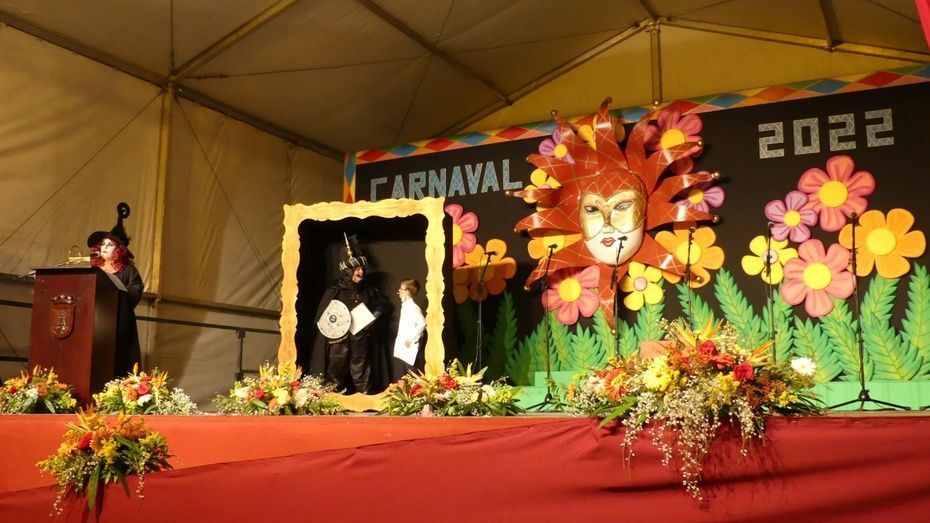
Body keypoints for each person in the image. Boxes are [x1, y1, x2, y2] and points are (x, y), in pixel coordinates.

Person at [314, 236, 387, 394]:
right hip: (339, 336)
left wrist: (373, 317)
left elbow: (380, 305)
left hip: (360, 334)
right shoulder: (336, 289)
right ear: (349, 271)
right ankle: (333, 396)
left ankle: (364, 396)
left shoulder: (369, 289)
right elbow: (324, 313)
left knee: (360, 365)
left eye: (362, 269)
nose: (361, 272)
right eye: (357, 269)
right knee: (337, 364)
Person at [87, 202, 144, 377]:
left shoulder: (128, 271)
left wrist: (115, 292)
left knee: (118, 365)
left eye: (110, 244)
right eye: (103, 244)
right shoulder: (93, 270)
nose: (104, 247)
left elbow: (134, 293)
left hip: (119, 325)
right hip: (95, 324)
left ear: (119, 250)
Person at [392, 279, 425, 381]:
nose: (399, 291)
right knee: (400, 375)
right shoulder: (406, 306)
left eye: (401, 289)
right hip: (401, 347)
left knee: (412, 375)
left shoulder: (412, 307)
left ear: (408, 292)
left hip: (409, 348)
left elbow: (422, 323)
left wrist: (411, 339)